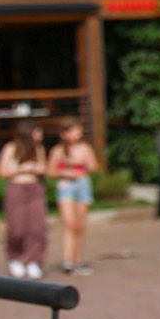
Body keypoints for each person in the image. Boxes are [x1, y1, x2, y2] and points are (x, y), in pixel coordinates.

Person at [47, 118, 99, 276]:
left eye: (78, 130)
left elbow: (94, 167)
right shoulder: (58, 150)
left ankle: (77, 261)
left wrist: (80, 163)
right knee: (69, 223)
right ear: (64, 134)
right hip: (66, 186)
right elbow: (50, 171)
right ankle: (67, 260)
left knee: (79, 225)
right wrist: (64, 172)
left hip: (83, 185)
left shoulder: (85, 148)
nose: (77, 134)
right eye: (73, 131)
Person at [0, 122, 48, 279]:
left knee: (37, 228)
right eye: (37, 132)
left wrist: (37, 169)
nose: (40, 136)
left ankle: (34, 261)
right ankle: (14, 258)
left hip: (34, 188)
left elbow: (43, 167)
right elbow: (2, 171)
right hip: (17, 188)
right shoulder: (11, 148)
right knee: (16, 228)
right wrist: (22, 168)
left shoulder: (38, 149)